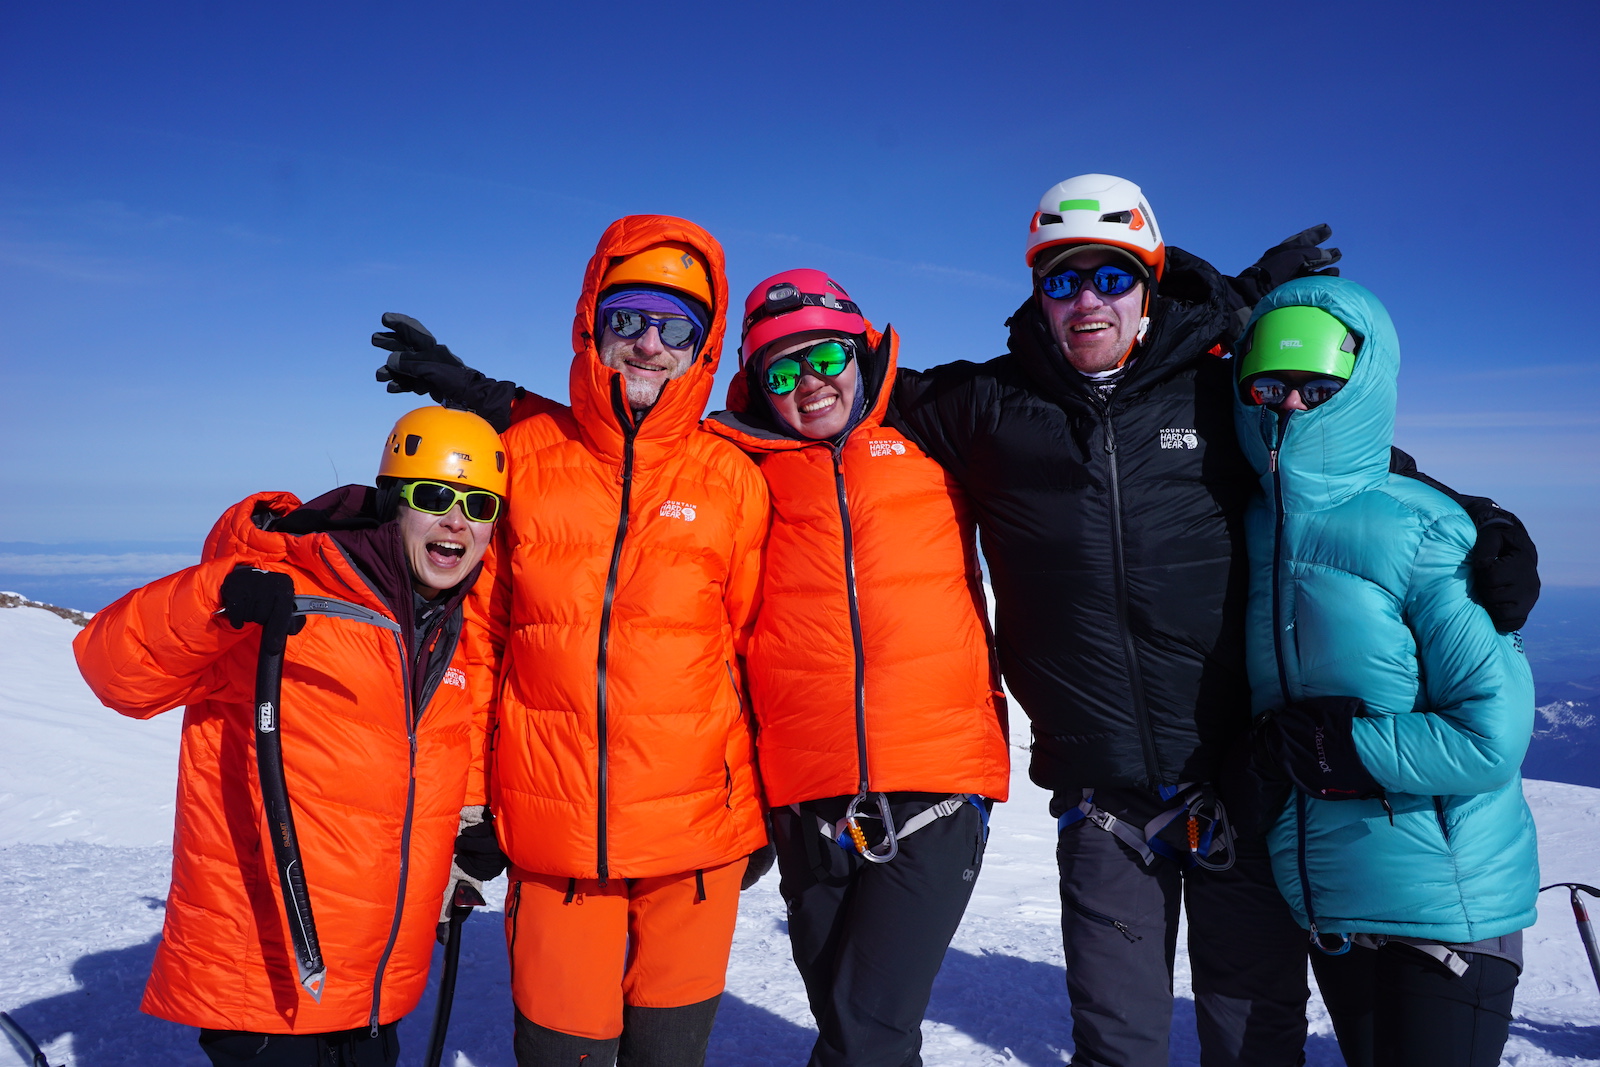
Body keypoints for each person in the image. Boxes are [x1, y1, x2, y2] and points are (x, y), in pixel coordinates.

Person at [887, 174, 1542, 1066]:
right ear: (1036, 293)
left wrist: (1486, 521)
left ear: (1148, 285)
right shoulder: (989, 407)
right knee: (1117, 1046)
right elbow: (849, 388)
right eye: (1061, 278)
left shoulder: (1216, 395)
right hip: (1103, 790)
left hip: (1243, 783)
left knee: (1252, 1038)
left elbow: (1338, 462)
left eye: (1111, 276)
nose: (1086, 300)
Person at [380, 215, 771, 1067]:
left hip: (695, 846)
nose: (648, 345)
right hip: (555, 839)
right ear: (593, 320)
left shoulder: (733, 480)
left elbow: (751, 651)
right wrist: (476, 794)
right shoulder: (527, 455)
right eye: (629, 316)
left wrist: (761, 806)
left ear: (703, 350)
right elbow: (478, 641)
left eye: (677, 328)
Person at [72, 406, 509, 1067]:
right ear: (393, 501)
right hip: (267, 985)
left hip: (369, 992)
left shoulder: (444, 630)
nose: (456, 519)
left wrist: (464, 837)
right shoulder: (287, 596)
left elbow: (419, 769)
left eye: (478, 504)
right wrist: (216, 596)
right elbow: (114, 672)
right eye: (433, 495)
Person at [702, 270, 1009, 1066]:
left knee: (864, 1035)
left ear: (862, 350)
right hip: (804, 800)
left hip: (934, 783)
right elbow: (617, 457)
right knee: (857, 1024)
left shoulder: (931, 424)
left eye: (827, 355)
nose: (808, 383)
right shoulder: (738, 461)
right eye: (780, 370)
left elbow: (1075, 397)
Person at [1234, 279, 1537, 1067]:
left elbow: (1490, 736)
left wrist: (1344, 750)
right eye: (1270, 384)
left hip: (1446, 907)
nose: (1292, 405)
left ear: (1359, 387)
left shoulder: (1428, 527)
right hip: (1334, 900)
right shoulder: (1250, 518)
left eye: (1318, 386)